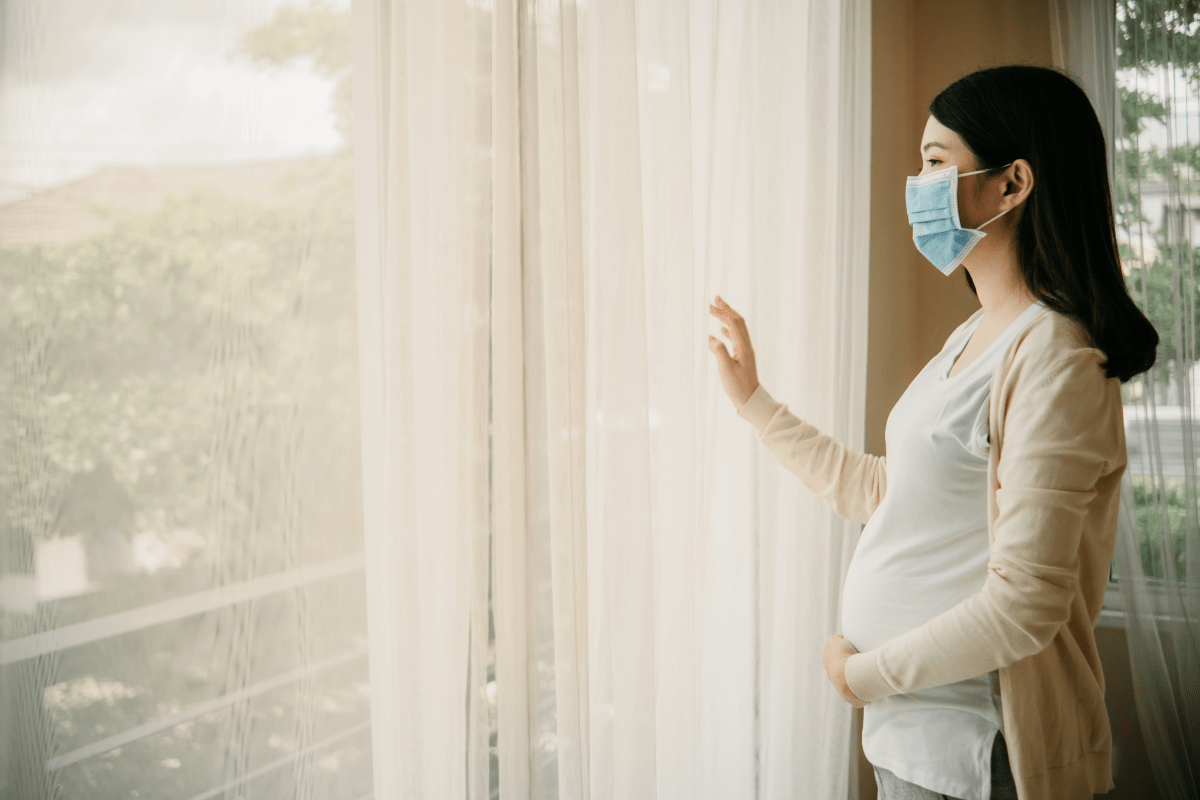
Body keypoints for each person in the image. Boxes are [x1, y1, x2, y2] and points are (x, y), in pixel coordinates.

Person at [707, 65, 1158, 800]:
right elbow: (890, 491)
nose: (916, 185)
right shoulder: (977, 333)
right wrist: (755, 403)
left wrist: (862, 674)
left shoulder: (1055, 359)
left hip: (982, 757)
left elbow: (1026, 605)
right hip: (913, 749)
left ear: (1012, 184)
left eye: (935, 163)